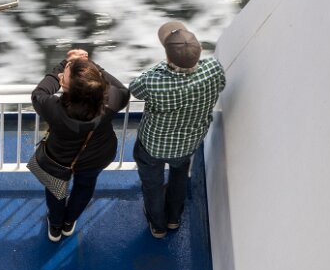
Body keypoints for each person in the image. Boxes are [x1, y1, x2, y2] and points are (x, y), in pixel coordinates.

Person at [129, 21, 226, 239]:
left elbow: (135, 89)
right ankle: (173, 219)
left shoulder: (154, 81)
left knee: (152, 185)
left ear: (168, 57)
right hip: (188, 143)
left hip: (152, 145)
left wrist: (164, 66)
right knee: (179, 177)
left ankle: (158, 226)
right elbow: (220, 85)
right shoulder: (213, 69)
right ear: (199, 50)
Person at [31, 49, 130, 242]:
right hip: (97, 156)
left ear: (69, 90)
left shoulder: (53, 108)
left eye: (63, 78)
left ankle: (56, 225)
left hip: (58, 158)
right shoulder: (111, 101)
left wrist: (65, 64)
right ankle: (69, 223)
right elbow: (124, 91)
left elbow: (38, 93)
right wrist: (89, 67)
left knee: (55, 189)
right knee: (85, 187)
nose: (61, 75)